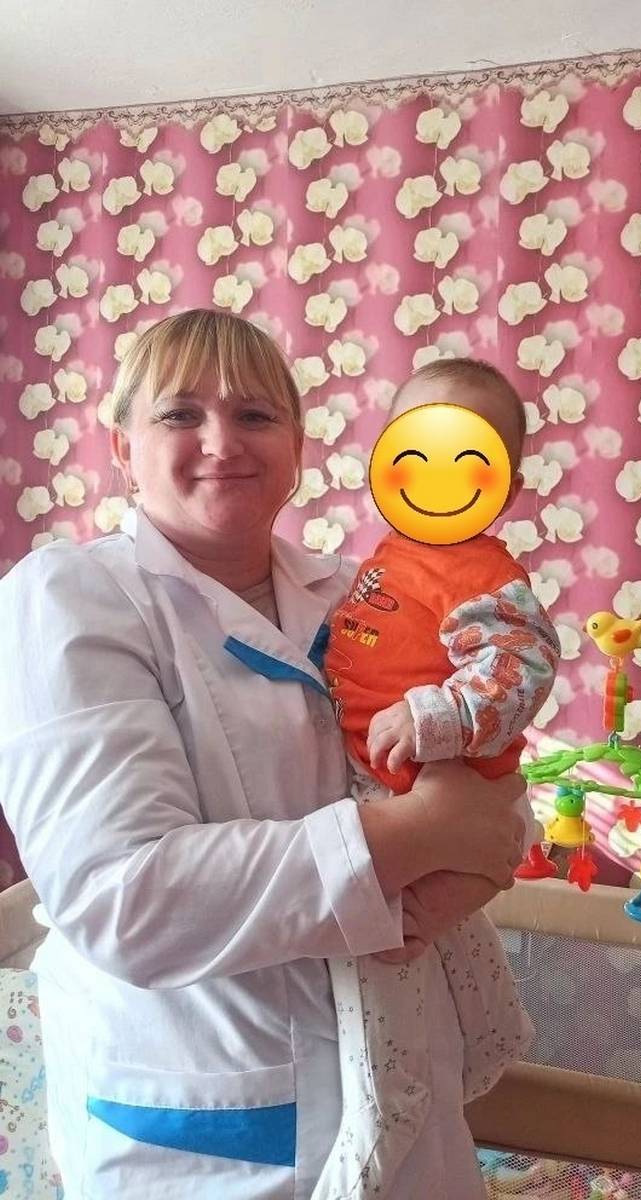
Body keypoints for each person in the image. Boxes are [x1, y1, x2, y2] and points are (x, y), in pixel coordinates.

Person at [0, 310, 528, 1200]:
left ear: (297, 451)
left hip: (407, 1078)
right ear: (123, 448)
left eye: (255, 415)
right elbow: (126, 897)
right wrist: (424, 831)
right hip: (204, 1127)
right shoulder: (69, 598)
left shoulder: (365, 594)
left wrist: (480, 837)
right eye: (180, 414)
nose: (223, 442)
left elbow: (490, 773)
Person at [317, 360, 560, 1200]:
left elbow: (522, 665)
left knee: (380, 953)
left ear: (507, 488)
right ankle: (494, 1039)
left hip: (429, 781)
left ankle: (376, 1130)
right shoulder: (389, 556)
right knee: (449, 934)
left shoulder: (481, 573)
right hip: (389, 783)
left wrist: (436, 716)